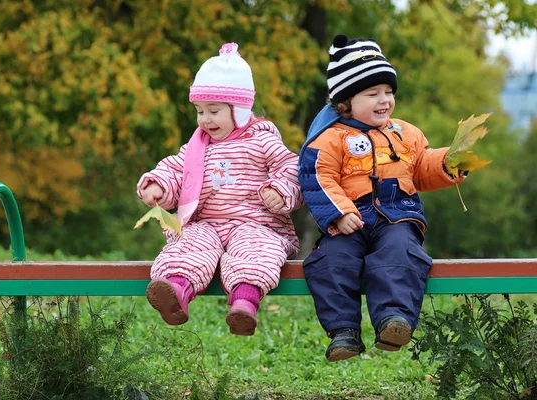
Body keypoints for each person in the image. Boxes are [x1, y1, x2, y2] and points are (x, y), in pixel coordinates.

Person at [298, 34, 467, 361]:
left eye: (389, 92)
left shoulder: (406, 133)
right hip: (349, 220)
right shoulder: (330, 138)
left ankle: (394, 319)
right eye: (372, 93)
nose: (384, 99)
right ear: (345, 102)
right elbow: (317, 176)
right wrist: (338, 213)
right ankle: (344, 330)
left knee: (399, 254)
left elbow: (420, 167)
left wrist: (447, 162)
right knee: (330, 261)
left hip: (397, 215)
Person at [137, 42, 303, 336]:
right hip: (208, 223)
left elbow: (290, 167)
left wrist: (280, 189)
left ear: (239, 110)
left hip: (256, 222)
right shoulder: (197, 147)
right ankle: (175, 291)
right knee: (189, 242)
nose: (205, 119)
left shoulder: (262, 141)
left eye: (213, 110)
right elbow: (177, 170)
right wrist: (158, 185)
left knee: (256, 249)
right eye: (200, 111)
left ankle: (244, 303)